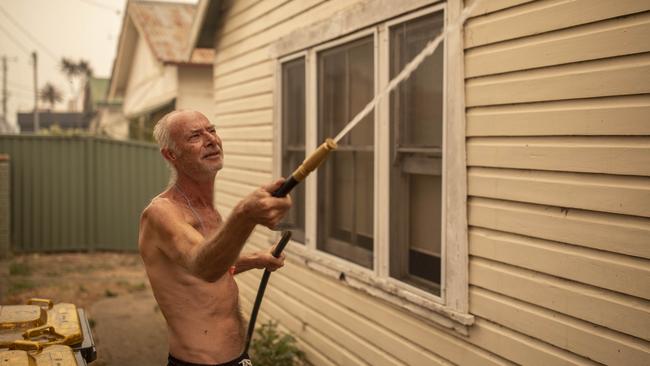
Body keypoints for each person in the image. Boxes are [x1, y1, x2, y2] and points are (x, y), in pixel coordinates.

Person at [138, 110, 292, 366]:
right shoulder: (162, 213)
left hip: (238, 359)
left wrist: (257, 259)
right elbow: (203, 266)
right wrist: (245, 214)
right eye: (195, 136)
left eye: (212, 130)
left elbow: (215, 266)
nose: (211, 139)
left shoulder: (208, 211)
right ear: (171, 155)